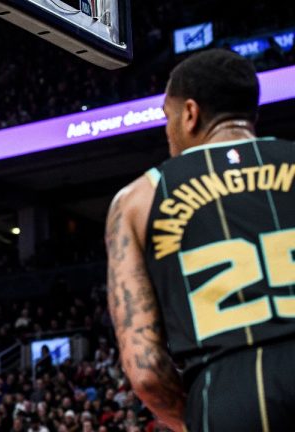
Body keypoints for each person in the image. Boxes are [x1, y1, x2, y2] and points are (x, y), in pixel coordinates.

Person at [106, 48, 295, 431]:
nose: (167, 131)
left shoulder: (137, 200)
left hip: (231, 394)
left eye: (167, 117)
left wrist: (198, 418)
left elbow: (145, 371)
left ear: (189, 114)